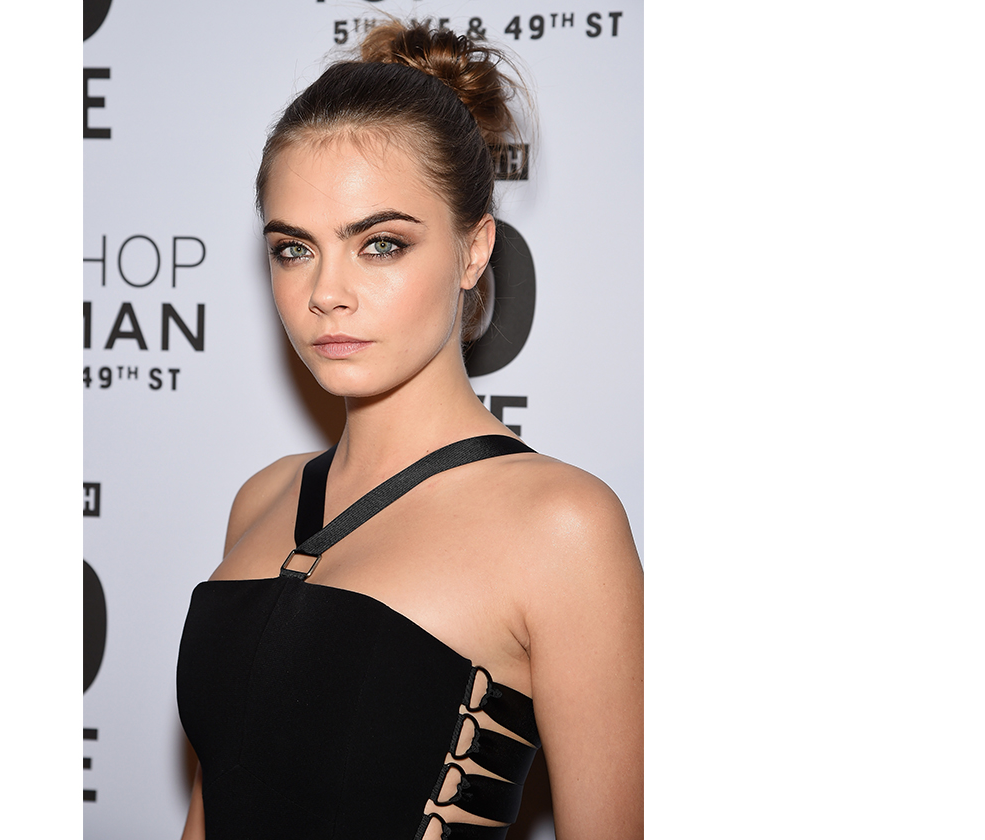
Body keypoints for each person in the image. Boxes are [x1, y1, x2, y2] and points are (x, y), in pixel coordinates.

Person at [176, 21, 642, 840]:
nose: (327, 293)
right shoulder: (263, 499)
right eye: (293, 250)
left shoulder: (561, 527)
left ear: (474, 251)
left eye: (380, 244)